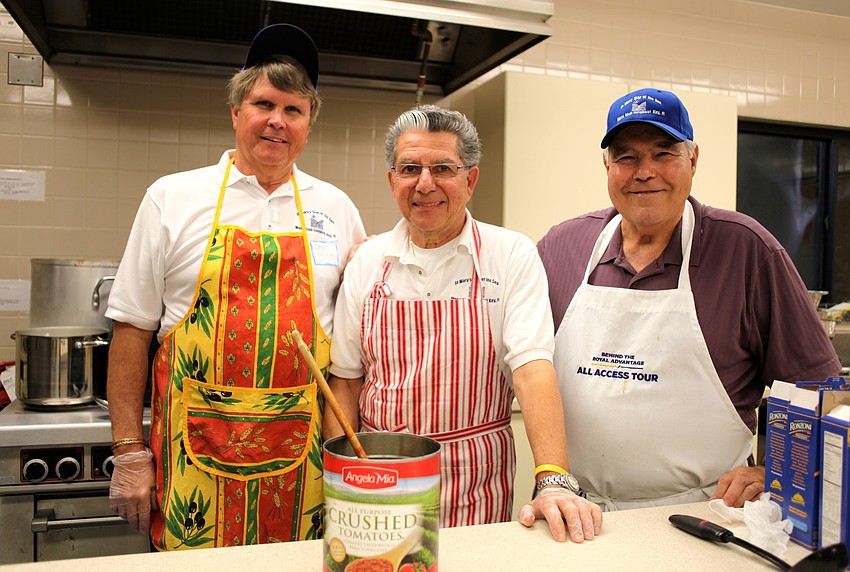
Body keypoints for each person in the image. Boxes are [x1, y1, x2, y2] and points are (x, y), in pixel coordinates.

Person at [105, 23, 366, 549]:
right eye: (263, 104)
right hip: (193, 455)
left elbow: (353, 346)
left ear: (308, 122)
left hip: (303, 466)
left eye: (293, 109)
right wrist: (130, 450)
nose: (277, 121)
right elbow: (132, 330)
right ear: (235, 112)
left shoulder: (336, 208)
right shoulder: (172, 198)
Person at [537, 87, 841, 511]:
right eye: (627, 157)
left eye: (663, 154)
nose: (645, 172)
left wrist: (774, 467)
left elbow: (820, 391)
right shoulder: (562, 247)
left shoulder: (746, 251)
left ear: (693, 159)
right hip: (577, 512)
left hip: (702, 513)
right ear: (607, 165)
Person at [326, 104, 603, 543]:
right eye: (410, 169)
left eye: (443, 168)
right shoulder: (368, 262)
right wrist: (343, 480)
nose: (425, 184)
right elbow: (345, 382)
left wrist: (552, 477)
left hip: (476, 477)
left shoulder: (510, 254)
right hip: (382, 475)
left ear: (470, 180)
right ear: (392, 180)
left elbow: (532, 369)